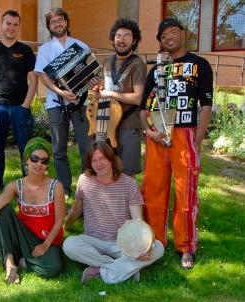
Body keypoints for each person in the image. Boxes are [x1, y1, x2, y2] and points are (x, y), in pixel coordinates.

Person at [139, 18, 213, 270]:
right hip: (158, 138)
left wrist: (198, 139)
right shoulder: (157, 69)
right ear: (159, 41)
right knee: (153, 191)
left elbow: (206, 106)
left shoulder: (199, 65)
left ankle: (186, 246)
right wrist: (150, 132)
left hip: (185, 135)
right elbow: (142, 109)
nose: (168, 37)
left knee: (185, 193)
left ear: (183, 33)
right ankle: (155, 240)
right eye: (163, 35)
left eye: (173, 32)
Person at [63, 142, 164, 284]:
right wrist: (64, 226)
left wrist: (145, 245)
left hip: (122, 243)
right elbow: (76, 209)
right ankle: (124, 268)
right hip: (93, 242)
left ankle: (100, 270)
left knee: (158, 248)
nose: (99, 164)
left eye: (102, 158)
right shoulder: (84, 181)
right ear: (90, 164)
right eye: (94, 161)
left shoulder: (129, 183)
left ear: (111, 159)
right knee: (69, 245)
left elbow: (138, 221)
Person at [0, 137, 65, 284]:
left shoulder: (56, 186)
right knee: (3, 209)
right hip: (22, 235)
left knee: (54, 267)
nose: (39, 164)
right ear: (26, 159)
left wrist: (45, 245)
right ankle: (10, 263)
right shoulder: (16, 186)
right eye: (35, 159)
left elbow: (59, 221)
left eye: (44, 161)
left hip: (47, 239)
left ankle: (20, 259)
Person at [34, 8, 92, 197]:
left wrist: (85, 88)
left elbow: (89, 73)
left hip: (80, 102)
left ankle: (86, 186)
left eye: (60, 20)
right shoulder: (45, 49)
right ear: (49, 26)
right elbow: (43, 77)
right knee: (59, 148)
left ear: (66, 22)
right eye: (53, 22)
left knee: (86, 146)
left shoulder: (80, 45)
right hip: (56, 104)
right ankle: (64, 188)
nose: (57, 24)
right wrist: (61, 92)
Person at [0, 10, 37, 189]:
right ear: (2, 25)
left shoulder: (25, 50)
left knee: (26, 150)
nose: (11, 28)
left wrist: (26, 105)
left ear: (18, 27)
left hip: (21, 108)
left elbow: (34, 79)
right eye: (8, 24)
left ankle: (29, 184)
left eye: (15, 25)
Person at [93, 18, 147, 176]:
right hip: (106, 124)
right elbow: (103, 89)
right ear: (113, 39)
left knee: (126, 173)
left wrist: (110, 93)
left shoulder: (138, 64)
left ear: (134, 40)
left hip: (128, 125)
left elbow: (138, 98)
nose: (121, 40)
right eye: (118, 36)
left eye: (126, 36)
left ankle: (128, 201)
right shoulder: (107, 61)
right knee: (105, 170)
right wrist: (98, 89)